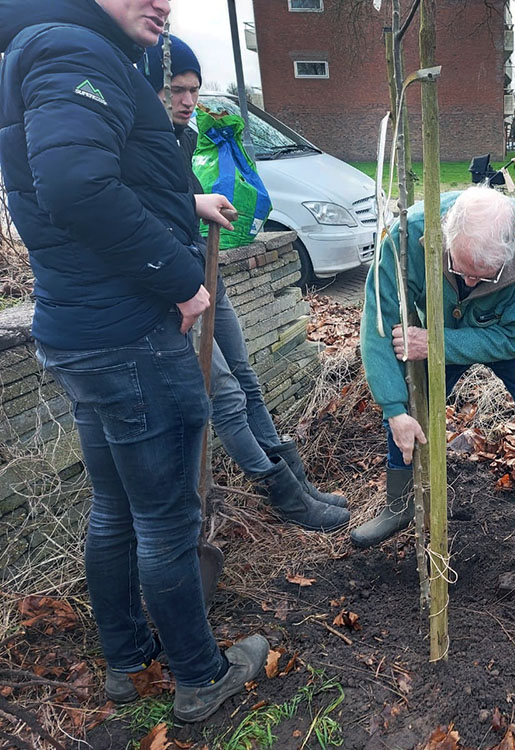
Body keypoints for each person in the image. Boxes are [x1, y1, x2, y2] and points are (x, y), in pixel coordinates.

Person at [0, 0, 268, 723]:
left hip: (83, 327)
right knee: (166, 519)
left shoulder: (52, 46)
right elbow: (77, 188)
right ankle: (199, 675)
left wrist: (188, 198)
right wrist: (179, 280)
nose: (162, 2)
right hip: (130, 337)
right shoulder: (73, 53)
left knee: (116, 509)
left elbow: (103, 171)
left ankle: (126, 660)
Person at [139, 35, 349, 532]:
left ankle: (292, 479)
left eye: (193, 90)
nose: (188, 101)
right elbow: (136, 208)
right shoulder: (138, 138)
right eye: (176, 90)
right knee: (226, 394)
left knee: (246, 377)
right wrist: (194, 204)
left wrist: (203, 200)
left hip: (205, 270)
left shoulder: (185, 137)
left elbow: (179, 195)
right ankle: (280, 493)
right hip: (174, 288)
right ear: (153, 90)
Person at [353, 186, 515, 590]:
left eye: (483, 276)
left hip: (510, 340)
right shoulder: (406, 235)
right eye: (460, 269)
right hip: (438, 327)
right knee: (412, 409)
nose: (467, 281)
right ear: (444, 237)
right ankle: (399, 505)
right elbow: (378, 321)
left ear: (511, 251)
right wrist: (393, 408)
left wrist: (435, 342)